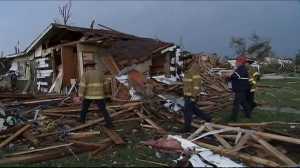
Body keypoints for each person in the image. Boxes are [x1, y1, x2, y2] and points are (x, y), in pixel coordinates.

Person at [78, 61, 113, 128]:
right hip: (99, 95)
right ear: (94, 66)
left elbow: (82, 86)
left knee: (84, 109)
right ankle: (109, 124)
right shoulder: (100, 73)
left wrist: (80, 95)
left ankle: (82, 120)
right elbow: (106, 84)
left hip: (88, 96)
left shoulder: (85, 74)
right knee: (103, 110)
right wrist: (106, 93)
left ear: (87, 67)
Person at [182, 63, 211, 132]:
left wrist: (193, 96)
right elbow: (187, 85)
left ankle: (187, 128)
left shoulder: (194, 72)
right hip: (187, 95)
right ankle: (207, 118)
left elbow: (196, 86)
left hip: (191, 96)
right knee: (194, 110)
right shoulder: (187, 72)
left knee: (187, 112)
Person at [229, 55, 252, 121]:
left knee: (236, 104)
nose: (236, 62)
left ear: (240, 62)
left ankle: (233, 119)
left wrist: (229, 76)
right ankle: (248, 115)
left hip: (240, 89)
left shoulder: (241, 69)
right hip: (241, 89)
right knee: (243, 103)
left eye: (237, 61)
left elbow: (235, 76)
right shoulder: (240, 68)